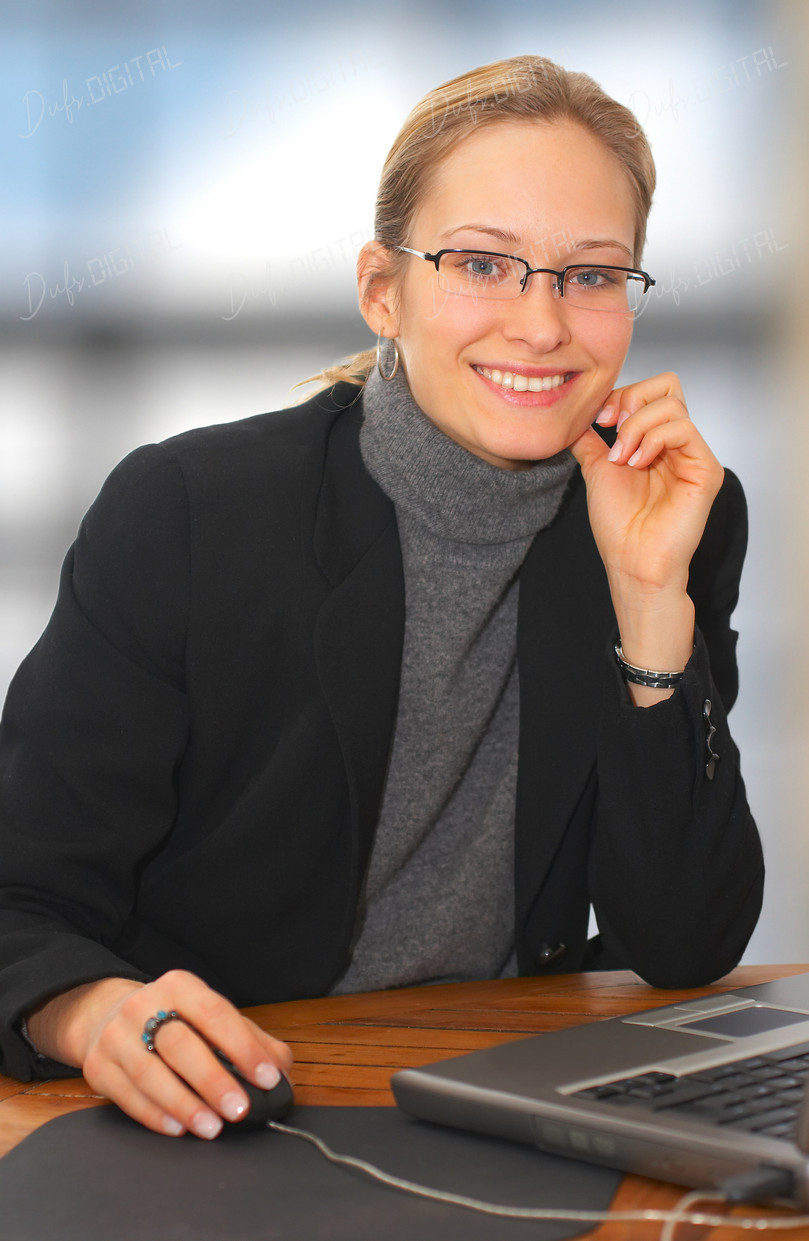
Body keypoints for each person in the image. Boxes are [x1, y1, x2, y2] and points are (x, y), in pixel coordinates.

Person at [0, 55, 762, 1142]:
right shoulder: (186, 511)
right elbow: (18, 893)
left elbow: (683, 938)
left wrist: (648, 601)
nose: (542, 324)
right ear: (381, 290)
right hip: (219, 1109)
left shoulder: (674, 515)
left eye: (589, 275)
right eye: (483, 264)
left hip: (510, 1096)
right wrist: (93, 1008)